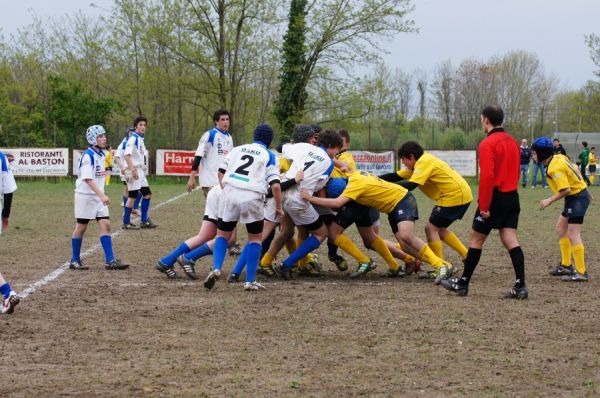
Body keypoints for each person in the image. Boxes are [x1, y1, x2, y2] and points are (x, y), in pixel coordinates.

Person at [300, 171, 452, 283]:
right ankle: (443, 265)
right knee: (404, 244)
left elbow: (337, 203)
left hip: (402, 200)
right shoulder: (353, 176)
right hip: (392, 206)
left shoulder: (354, 187)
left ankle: (439, 264)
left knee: (406, 236)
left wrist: (310, 198)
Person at [441, 106, 527, 299]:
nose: (482, 122)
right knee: (510, 239)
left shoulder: (487, 144)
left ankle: (462, 284)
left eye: (481, 119)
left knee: (476, 240)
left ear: (486, 120)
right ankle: (520, 285)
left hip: (495, 197)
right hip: (512, 197)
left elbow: (487, 177)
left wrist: (485, 206)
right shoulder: (513, 142)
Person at [203, 124, 283, 291]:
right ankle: (250, 281)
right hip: (252, 196)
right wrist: (279, 208)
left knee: (222, 235)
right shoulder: (270, 155)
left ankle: (217, 268)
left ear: (254, 136)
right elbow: (275, 186)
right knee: (255, 239)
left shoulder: (237, 149)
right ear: (269, 140)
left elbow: (220, 172)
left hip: (230, 192)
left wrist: (226, 191)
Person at [380, 141, 472, 268]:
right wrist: (374, 179)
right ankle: (467, 256)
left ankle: (441, 266)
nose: (402, 163)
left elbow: (411, 185)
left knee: (431, 228)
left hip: (454, 196)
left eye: (403, 159)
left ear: (411, 157)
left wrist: (384, 187)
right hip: (459, 194)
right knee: (439, 229)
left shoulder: (424, 162)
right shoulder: (417, 166)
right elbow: (394, 176)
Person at [69, 126, 129, 271]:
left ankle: (110, 261)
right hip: (86, 196)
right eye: (100, 136)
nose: (104, 138)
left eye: (104, 136)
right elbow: (88, 179)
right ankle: (74, 260)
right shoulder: (87, 156)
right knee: (81, 227)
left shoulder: (101, 154)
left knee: (106, 225)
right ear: (92, 139)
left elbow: (110, 158)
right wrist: (101, 195)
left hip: (98, 197)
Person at [533, 137, 592, 282]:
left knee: (573, 234)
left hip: (576, 198)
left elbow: (566, 189)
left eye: (534, 153)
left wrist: (549, 200)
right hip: (577, 196)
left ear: (542, 154)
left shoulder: (554, 167)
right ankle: (566, 265)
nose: (532, 156)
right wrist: (585, 189)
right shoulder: (559, 157)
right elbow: (575, 171)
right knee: (561, 228)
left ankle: (581, 272)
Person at [188, 109, 234, 197]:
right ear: (216, 121)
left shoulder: (229, 137)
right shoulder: (209, 135)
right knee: (213, 210)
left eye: (227, 119)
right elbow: (198, 156)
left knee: (223, 210)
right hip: (210, 182)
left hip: (224, 182)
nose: (226, 122)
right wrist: (192, 178)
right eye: (222, 119)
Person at [122, 116, 158, 229]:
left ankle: (144, 221)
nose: (143, 127)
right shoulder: (133, 138)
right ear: (136, 126)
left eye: (144, 125)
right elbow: (126, 155)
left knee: (147, 194)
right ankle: (126, 222)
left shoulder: (140, 139)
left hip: (140, 171)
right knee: (132, 197)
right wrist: (132, 169)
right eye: (140, 125)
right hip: (134, 171)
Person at [1, 149, 20, 314]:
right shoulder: (1, 157)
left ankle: (7, 293)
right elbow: (8, 190)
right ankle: (7, 293)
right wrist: (5, 215)